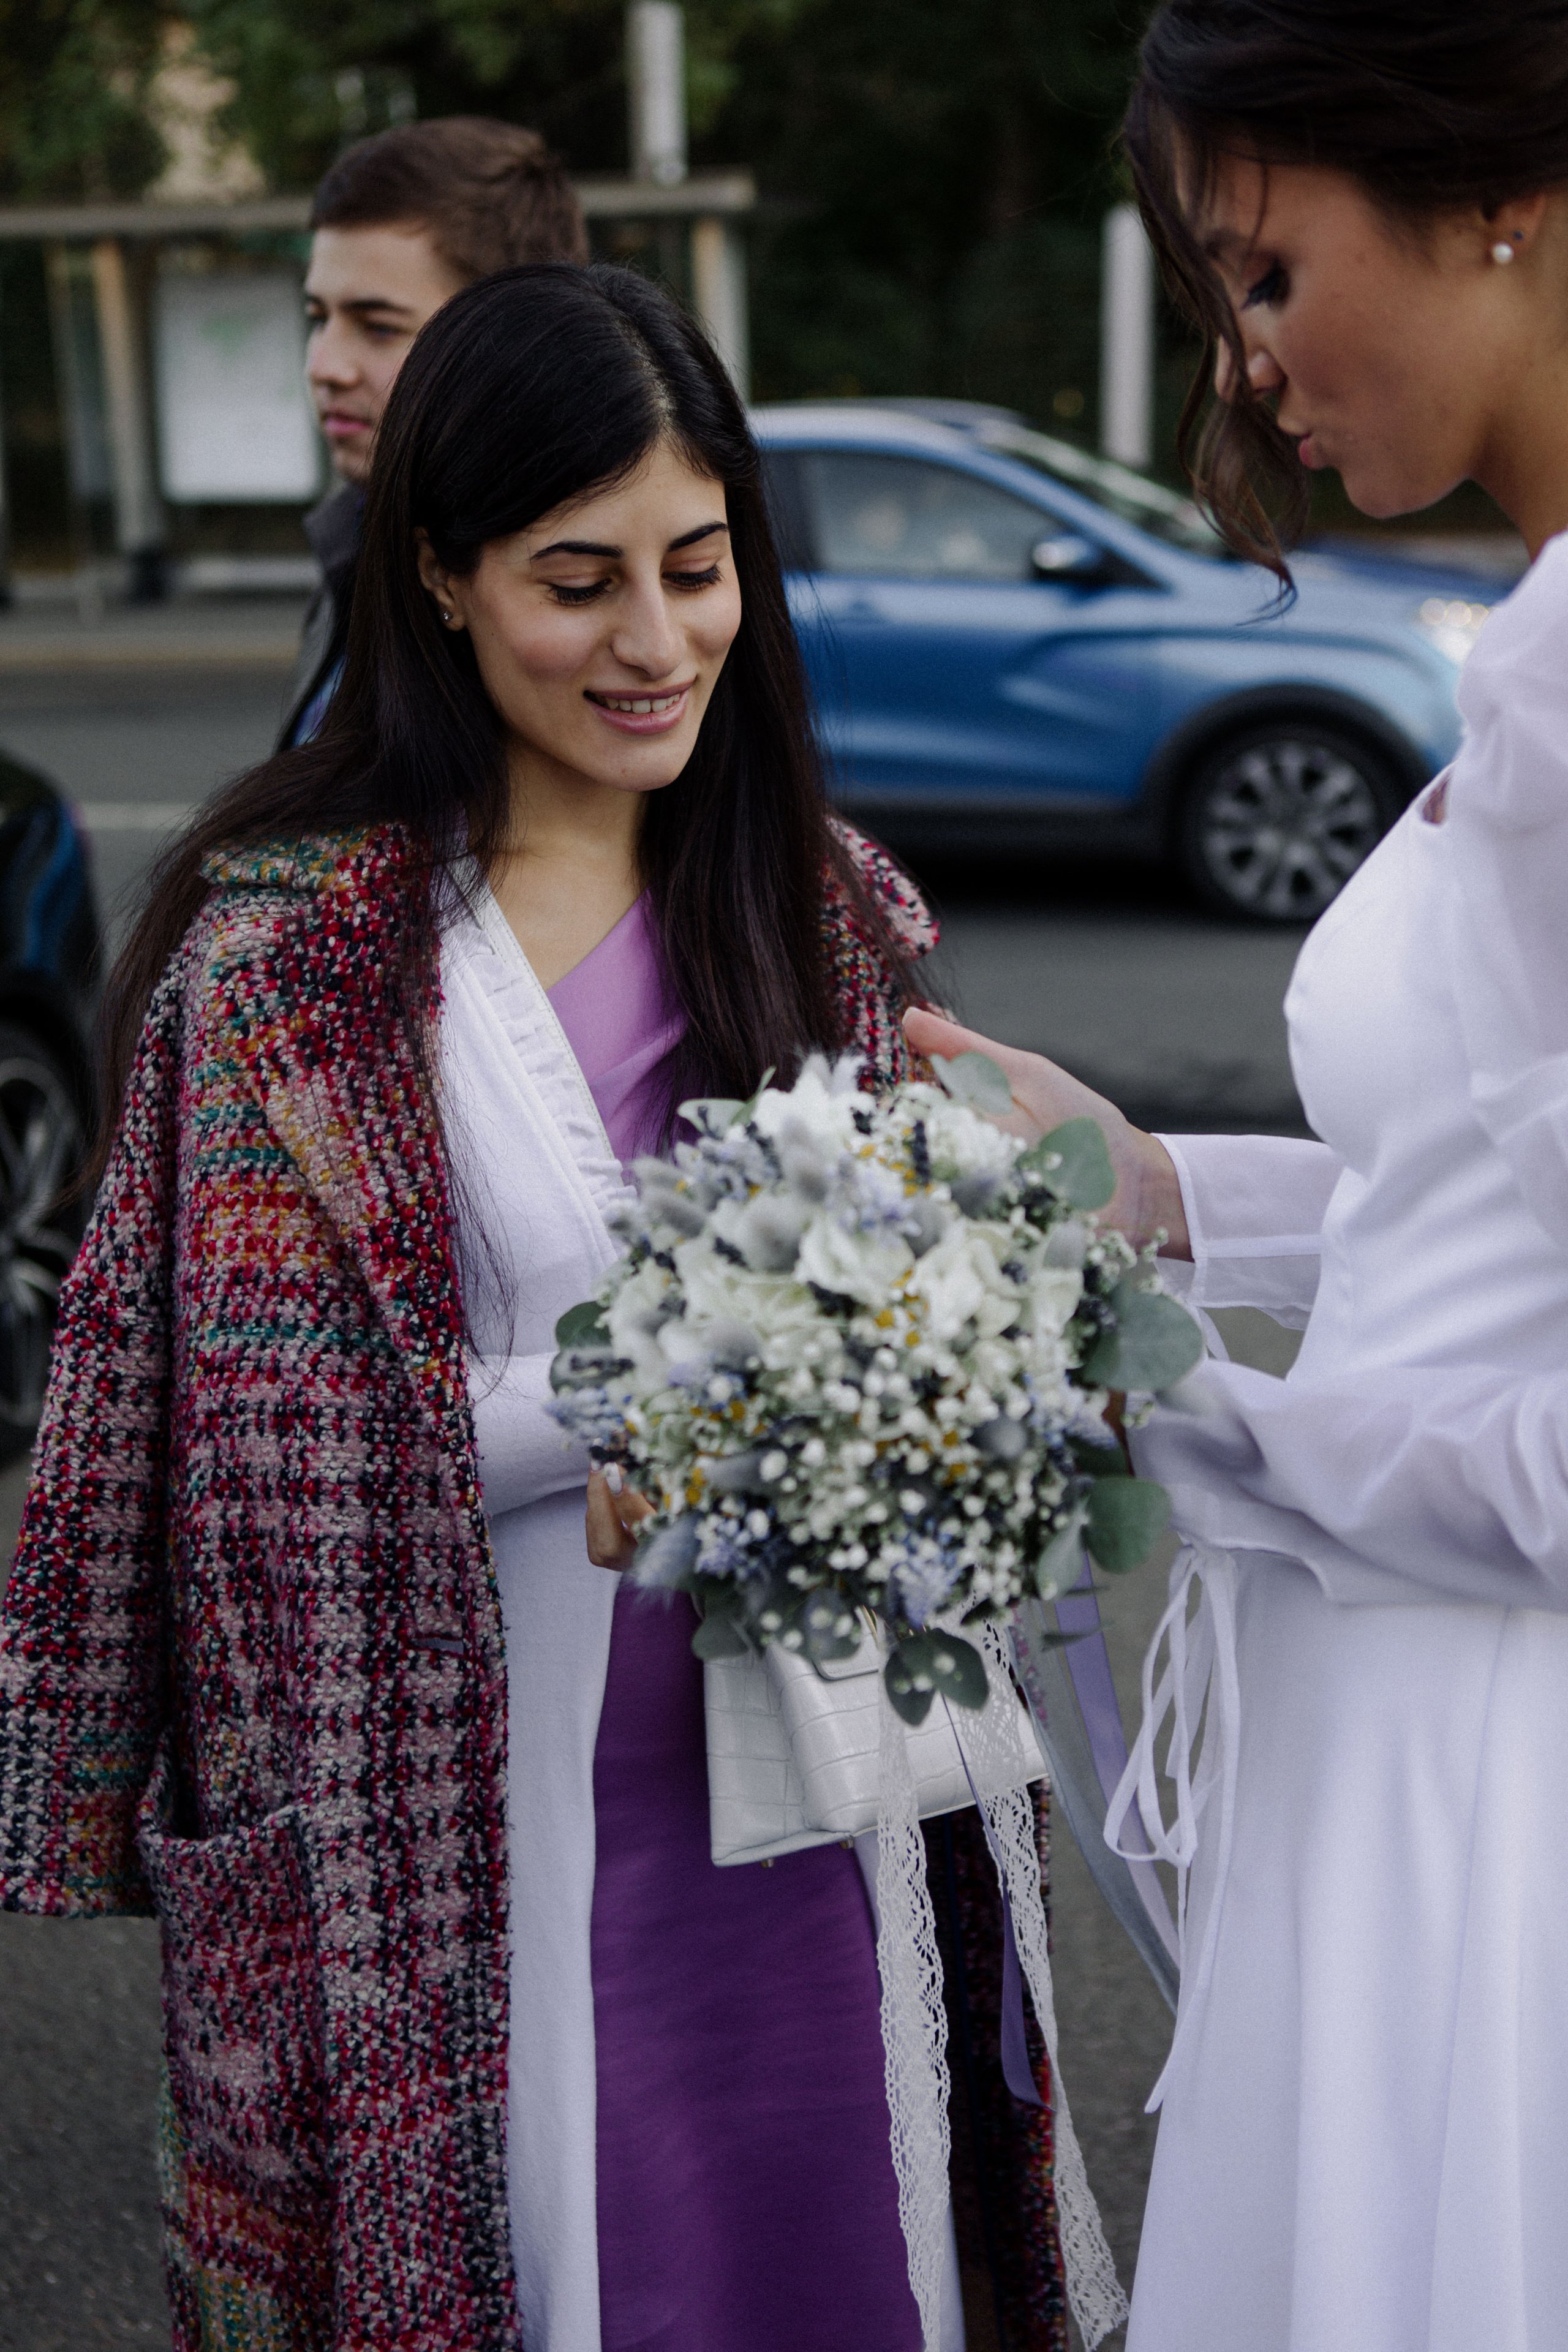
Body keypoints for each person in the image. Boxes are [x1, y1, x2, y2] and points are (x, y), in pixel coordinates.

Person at [0, 263, 1069, 2351]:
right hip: (447, 1813)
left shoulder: (827, 912)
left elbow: (937, 1342)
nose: (655, 641)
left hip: (823, 1783)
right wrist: (649, 1405)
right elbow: (237, 1452)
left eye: (698, 567)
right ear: (442, 573)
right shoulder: (282, 968)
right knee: (551, 2263)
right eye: (579, 582)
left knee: (850, 2254)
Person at [907, 5, 1568, 2347]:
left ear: (1495, 196)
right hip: (1403, 1688)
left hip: (1476, 1741)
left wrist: (1181, 1411)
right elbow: (1485, 1178)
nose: (1245, 363)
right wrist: (1157, 1190)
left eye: (1264, 272)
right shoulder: (1530, 639)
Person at [281, 117, 589, 748]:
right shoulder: (361, 537)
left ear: (511, 339)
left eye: (379, 327)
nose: (325, 366)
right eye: (319, 317)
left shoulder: (571, 602)